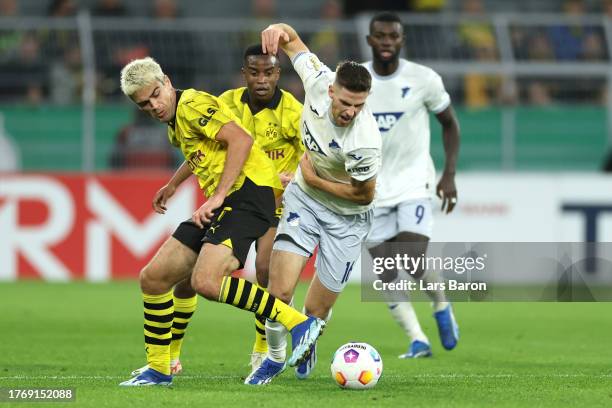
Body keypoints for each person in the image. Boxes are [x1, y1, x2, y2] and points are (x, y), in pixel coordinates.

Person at [117, 56, 323, 386]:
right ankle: (158, 369)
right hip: (228, 201)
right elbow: (199, 152)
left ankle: (299, 324)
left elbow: (241, 139)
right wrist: (172, 183)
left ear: (167, 81)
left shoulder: (192, 104)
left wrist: (216, 196)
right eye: (145, 104)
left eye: (156, 94)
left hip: (249, 194)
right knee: (153, 279)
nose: (154, 105)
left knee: (207, 282)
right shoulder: (176, 123)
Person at [245, 22, 382, 385]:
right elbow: (292, 42)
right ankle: (272, 359)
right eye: (346, 102)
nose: (351, 111)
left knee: (317, 309)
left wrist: (314, 177)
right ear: (332, 90)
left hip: (347, 218)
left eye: (359, 105)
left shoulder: (364, 141)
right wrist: (277, 29)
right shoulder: (318, 79)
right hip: (303, 202)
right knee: (279, 291)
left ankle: (309, 342)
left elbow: (363, 194)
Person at [364, 12, 461, 359]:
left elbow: (450, 124)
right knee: (386, 271)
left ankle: (440, 305)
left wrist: (448, 174)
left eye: (393, 36)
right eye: (380, 36)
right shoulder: (357, 80)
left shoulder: (423, 79)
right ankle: (418, 339)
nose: (387, 42)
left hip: (413, 182)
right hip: (369, 191)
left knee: (412, 256)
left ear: (402, 41)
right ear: (370, 40)